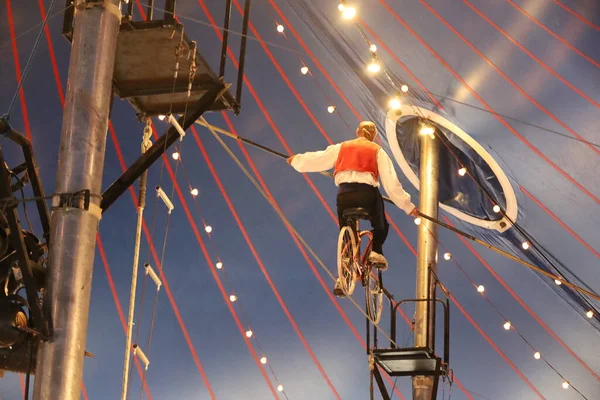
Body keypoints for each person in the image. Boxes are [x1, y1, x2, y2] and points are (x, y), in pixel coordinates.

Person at [287, 121, 418, 297]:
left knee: (346, 229)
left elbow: (317, 159)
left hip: (345, 195)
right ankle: (376, 252)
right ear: (374, 135)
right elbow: (392, 185)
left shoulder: (342, 147)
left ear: (357, 132)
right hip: (367, 195)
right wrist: (408, 206)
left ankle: (343, 273)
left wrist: (296, 161)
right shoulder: (377, 151)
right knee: (381, 223)